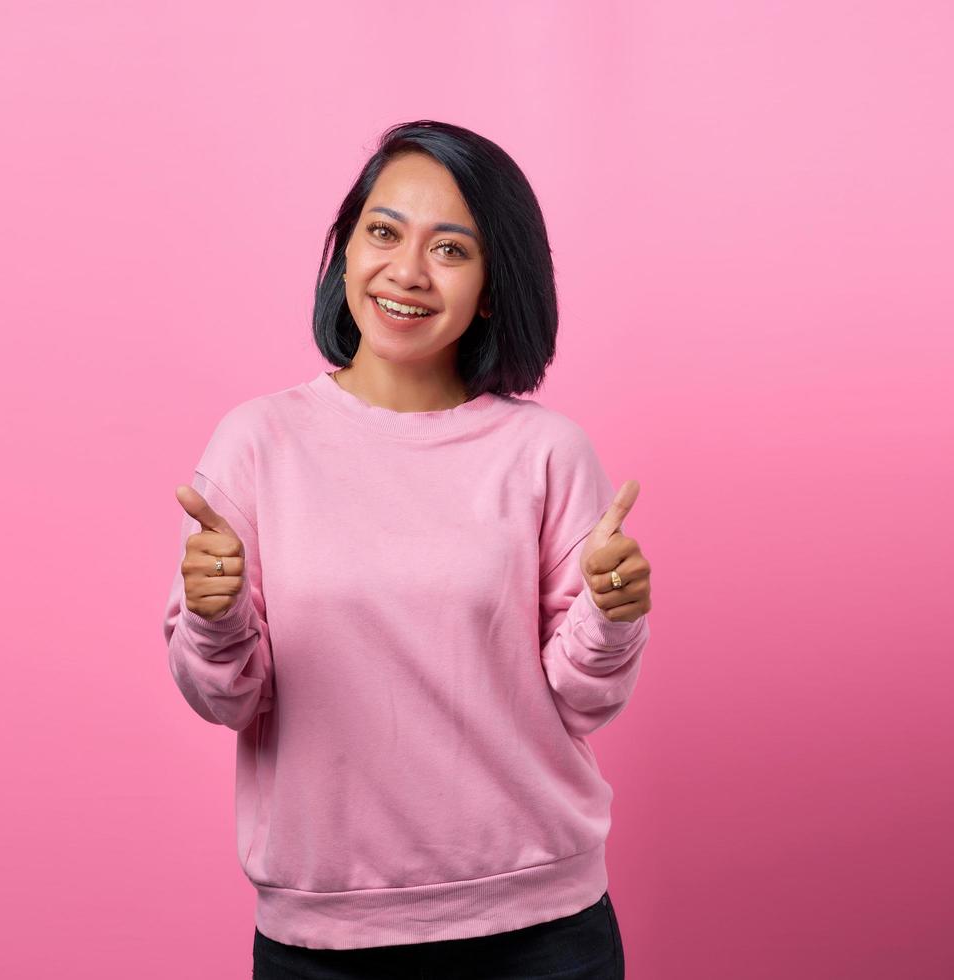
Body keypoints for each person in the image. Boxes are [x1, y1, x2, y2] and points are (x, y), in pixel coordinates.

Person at [163, 120, 652, 979]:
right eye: (382, 233)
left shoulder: (544, 453)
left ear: (493, 289)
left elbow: (580, 703)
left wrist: (612, 618)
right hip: (326, 939)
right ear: (344, 253)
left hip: (540, 930)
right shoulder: (257, 444)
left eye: (451, 250)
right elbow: (227, 702)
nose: (407, 272)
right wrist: (213, 618)